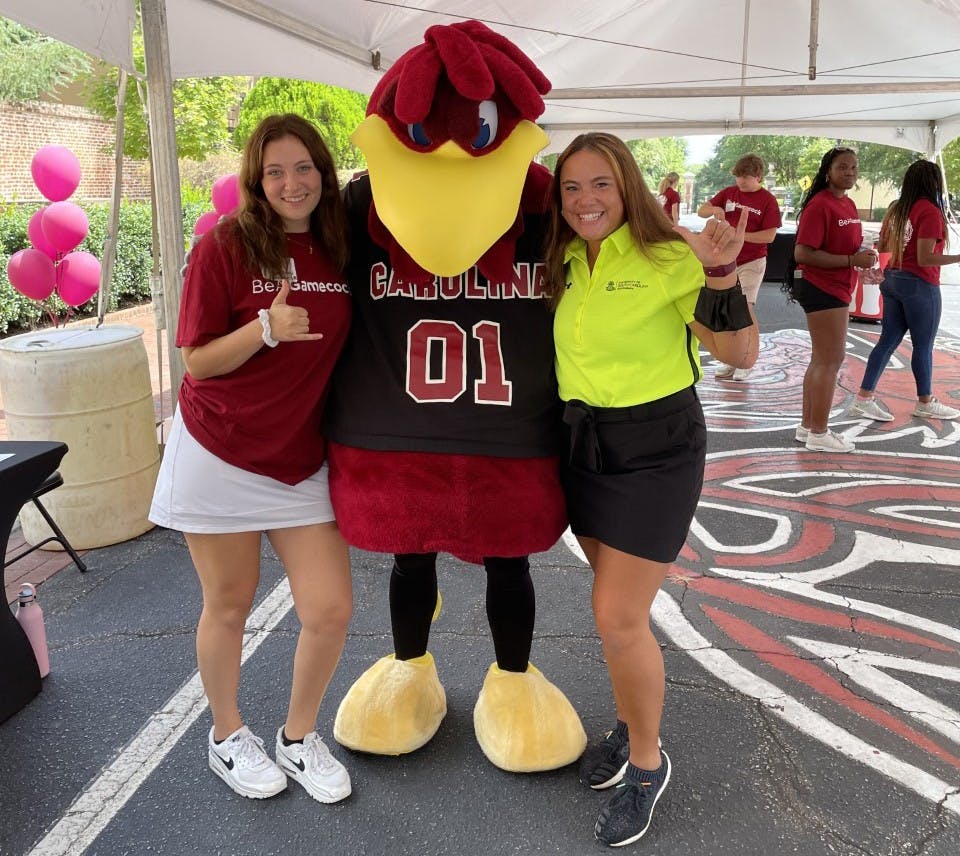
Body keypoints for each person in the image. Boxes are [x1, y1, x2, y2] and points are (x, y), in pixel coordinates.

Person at [324, 19, 585, 774]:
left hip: (507, 436)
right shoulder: (361, 207)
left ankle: (511, 677)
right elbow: (295, 249)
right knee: (412, 562)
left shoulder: (543, 205)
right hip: (401, 436)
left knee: (509, 567)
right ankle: (411, 667)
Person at [543, 132, 757, 847]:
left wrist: (721, 273)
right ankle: (630, 720)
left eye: (599, 184)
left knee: (617, 614)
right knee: (615, 614)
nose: (585, 200)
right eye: (571, 188)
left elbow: (740, 353)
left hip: (656, 452)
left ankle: (646, 763)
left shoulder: (670, 257)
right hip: (584, 447)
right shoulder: (565, 260)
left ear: (626, 186)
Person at [148, 114, 354, 804]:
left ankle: (298, 738)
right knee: (229, 605)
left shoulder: (340, 246)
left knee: (329, 610)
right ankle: (227, 735)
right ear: (256, 180)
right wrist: (264, 327)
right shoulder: (226, 247)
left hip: (299, 458)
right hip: (221, 450)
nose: (291, 183)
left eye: (304, 168)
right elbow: (197, 361)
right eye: (275, 171)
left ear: (325, 174)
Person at [848, 160, 960, 422]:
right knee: (923, 346)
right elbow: (925, 258)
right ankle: (925, 401)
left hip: (893, 279)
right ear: (934, 183)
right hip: (920, 283)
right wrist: (957, 258)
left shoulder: (897, 209)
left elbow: (884, 244)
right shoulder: (930, 211)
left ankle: (864, 397)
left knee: (887, 341)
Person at [786, 146, 877, 453]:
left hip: (838, 287)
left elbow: (848, 249)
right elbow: (803, 253)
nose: (849, 172)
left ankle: (808, 426)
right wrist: (852, 260)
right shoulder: (820, 205)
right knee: (830, 360)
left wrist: (864, 258)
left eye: (853, 167)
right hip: (822, 287)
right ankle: (819, 433)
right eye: (843, 167)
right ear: (829, 171)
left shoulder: (848, 204)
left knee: (821, 359)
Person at [698, 153, 781, 380]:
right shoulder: (728, 193)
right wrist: (713, 210)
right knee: (727, 309)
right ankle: (731, 359)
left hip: (752, 261)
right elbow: (702, 210)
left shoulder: (768, 201)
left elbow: (770, 235)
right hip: (726, 262)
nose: (741, 181)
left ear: (758, 177)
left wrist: (740, 237)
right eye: (738, 176)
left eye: (746, 177)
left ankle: (747, 358)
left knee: (744, 307)